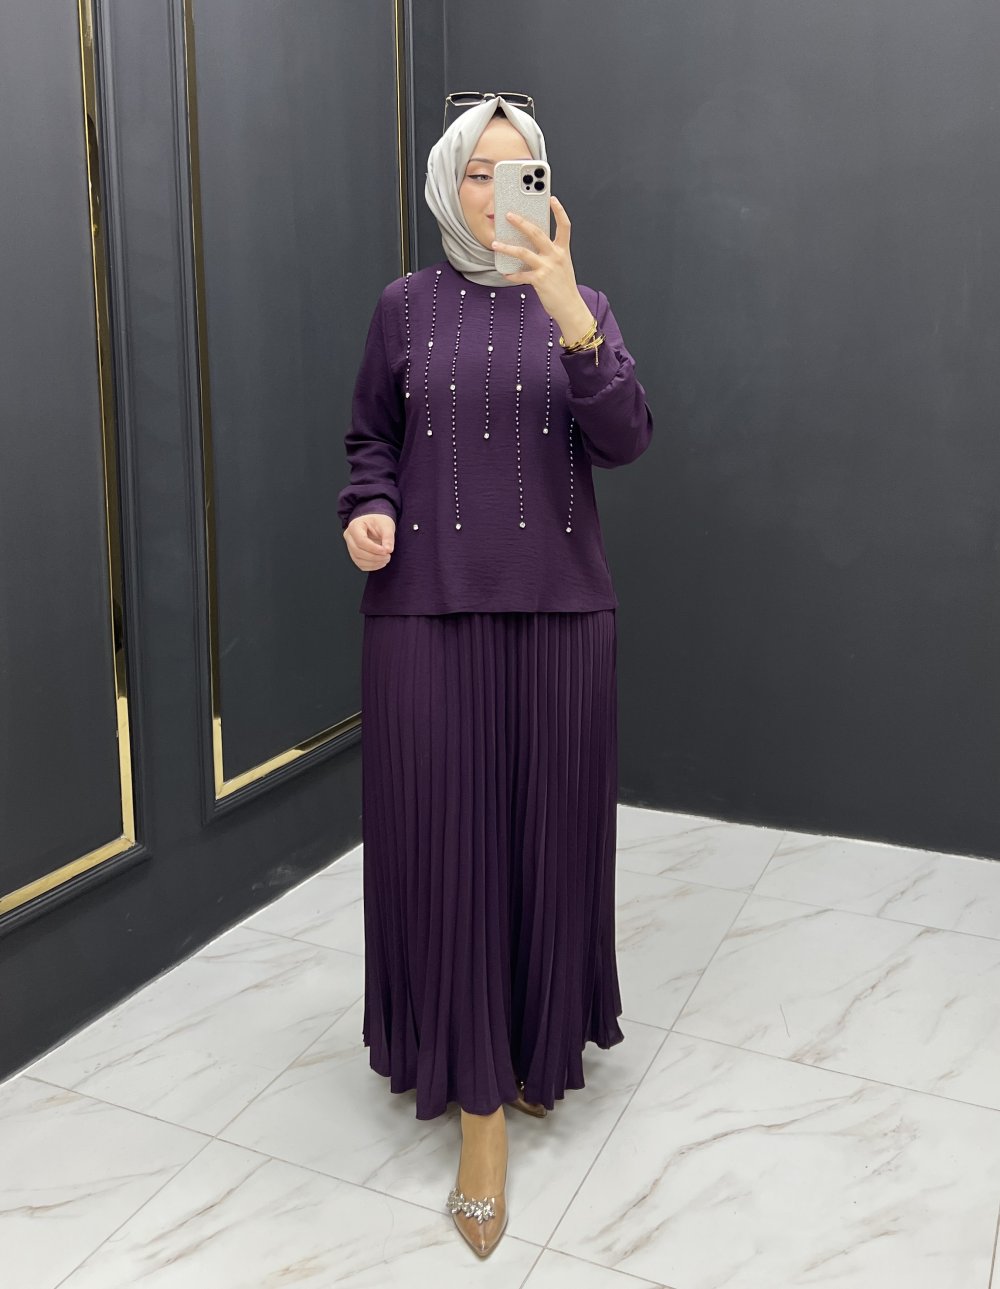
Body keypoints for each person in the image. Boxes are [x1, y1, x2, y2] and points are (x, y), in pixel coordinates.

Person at [336, 92, 654, 1258]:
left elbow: (625, 437)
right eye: (479, 171)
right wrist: (367, 511)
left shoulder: (584, 304)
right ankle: (477, 1110)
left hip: (561, 620)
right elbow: (370, 439)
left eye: (520, 171)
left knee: (546, 842)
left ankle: (531, 1049)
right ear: (446, 183)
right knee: (446, 848)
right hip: (422, 615)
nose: (496, 192)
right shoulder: (401, 307)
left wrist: (569, 313)